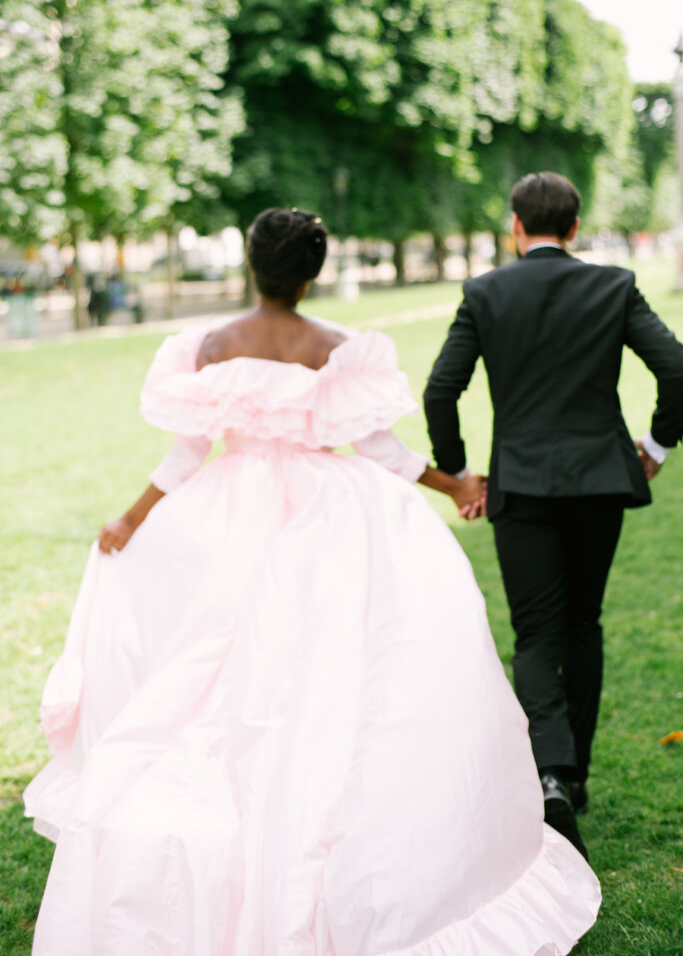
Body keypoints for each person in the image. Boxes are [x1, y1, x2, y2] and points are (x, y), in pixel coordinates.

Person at [25, 207, 601, 955]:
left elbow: (183, 456)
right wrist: (454, 483)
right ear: (312, 272)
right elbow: (381, 450)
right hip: (329, 520)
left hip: (226, 514)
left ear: (251, 265)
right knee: (328, 667)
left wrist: (130, 522)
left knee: (215, 668)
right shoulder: (339, 350)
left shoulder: (206, 346)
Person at [424, 172, 683, 860]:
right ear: (573, 228)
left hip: (523, 487)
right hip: (599, 480)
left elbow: (440, 389)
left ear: (516, 225)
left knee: (536, 632)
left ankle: (548, 775)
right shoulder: (612, 286)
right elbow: (677, 367)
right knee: (581, 623)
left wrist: (455, 473)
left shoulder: (483, 292)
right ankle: (574, 776)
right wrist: (655, 445)